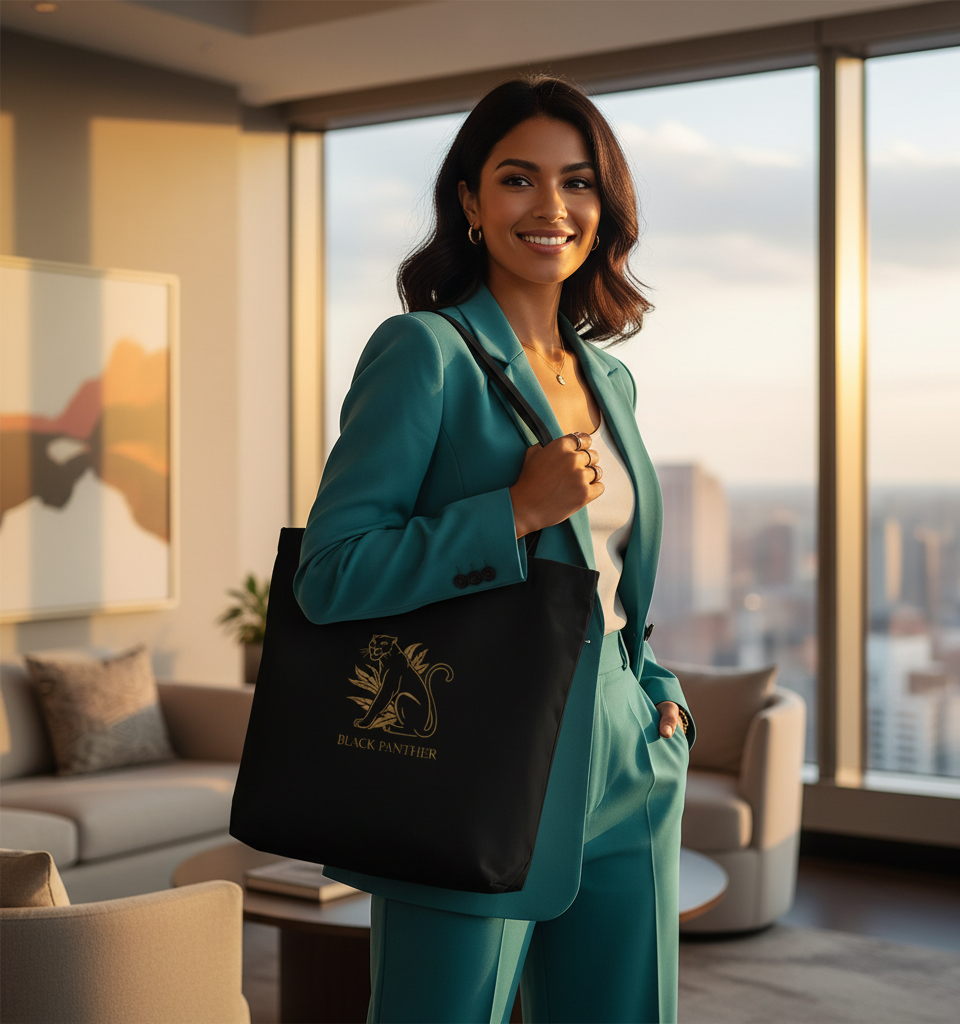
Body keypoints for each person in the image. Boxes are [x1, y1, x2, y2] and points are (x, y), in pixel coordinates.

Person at [294, 76, 696, 1024]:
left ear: (605, 207)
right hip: (476, 755)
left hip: (627, 745)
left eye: (578, 182)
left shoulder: (610, 379)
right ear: (470, 202)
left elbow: (608, 578)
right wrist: (513, 512)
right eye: (519, 179)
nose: (551, 207)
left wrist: (656, 692)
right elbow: (330, 574)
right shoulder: (423, 353)